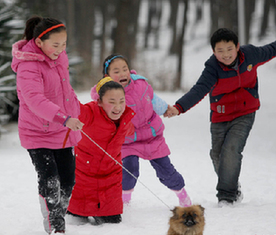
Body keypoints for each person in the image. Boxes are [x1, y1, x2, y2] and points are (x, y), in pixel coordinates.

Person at [165, 28, 276, 206]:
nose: (225, 55)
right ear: (213, 51)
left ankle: (227, 196)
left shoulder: (250, 55)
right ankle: (232, 185)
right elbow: (199, 89)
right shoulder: (212, 68)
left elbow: (270, 50)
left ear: (237, 47)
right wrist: (179, 107)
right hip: (221, 114)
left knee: (232, 150)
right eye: (220, 51)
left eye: (229, 49)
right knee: (217, 155)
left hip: (245, 112)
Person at [11, 16, 84, 234]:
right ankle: (55, 228)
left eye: (64, 44)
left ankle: (59, 215)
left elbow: (65, 91)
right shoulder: (28, 66)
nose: (61, 49)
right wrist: (64, 118)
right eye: (56, 45)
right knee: (51, 181)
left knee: (68, 181)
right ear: (40, 42)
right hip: (38, 132)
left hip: (62, 131)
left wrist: (77, 111)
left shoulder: (59, 57)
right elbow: (35, 100)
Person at [90, 54, 192, 207]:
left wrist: (165, 109)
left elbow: (152, 99)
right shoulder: (107, 95)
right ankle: (124, 200)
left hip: (152, 136)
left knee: (166, 170)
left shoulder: (141, 84)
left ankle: (182, 194)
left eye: (124, 69)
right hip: (127, 141)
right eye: (116, 71)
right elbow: (100, 114)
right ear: (108, 76)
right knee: (129, 171)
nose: (122, 73)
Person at [67, 78, 135, 224]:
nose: (118, 107)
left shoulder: (125, 118)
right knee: (77, 217)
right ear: (99, 101)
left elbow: (129, 130)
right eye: (111, 102)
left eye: (121, 101)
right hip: (84, 175)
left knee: (113, 222)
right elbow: (72, 106)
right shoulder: (89, 112)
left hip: (111, 177)